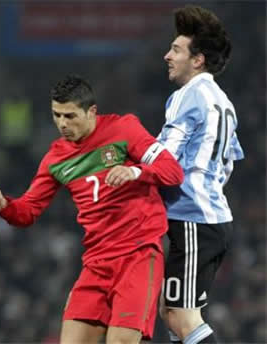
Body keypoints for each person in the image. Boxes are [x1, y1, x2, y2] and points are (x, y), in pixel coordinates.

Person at [0, 75, 184, 344]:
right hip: (97, 262)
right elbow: (27, 211)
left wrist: (134, 171)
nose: (62, 124)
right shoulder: (56, 158)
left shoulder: (124, 129)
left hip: (138, 254)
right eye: (56, 115)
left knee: (120, 342)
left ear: (92, 112)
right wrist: (3, 205)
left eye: (70, 116)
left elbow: (173, 171)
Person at [155, 5, 245, 344]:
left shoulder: (187, 94)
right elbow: (229, 163)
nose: (167, 55)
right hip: (207, 219)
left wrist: (131, 170)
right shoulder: (223, 100)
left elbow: (166, 155)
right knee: (171, 311)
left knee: (182, 317)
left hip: (194, 218)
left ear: (198, 60)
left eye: (176, 49)